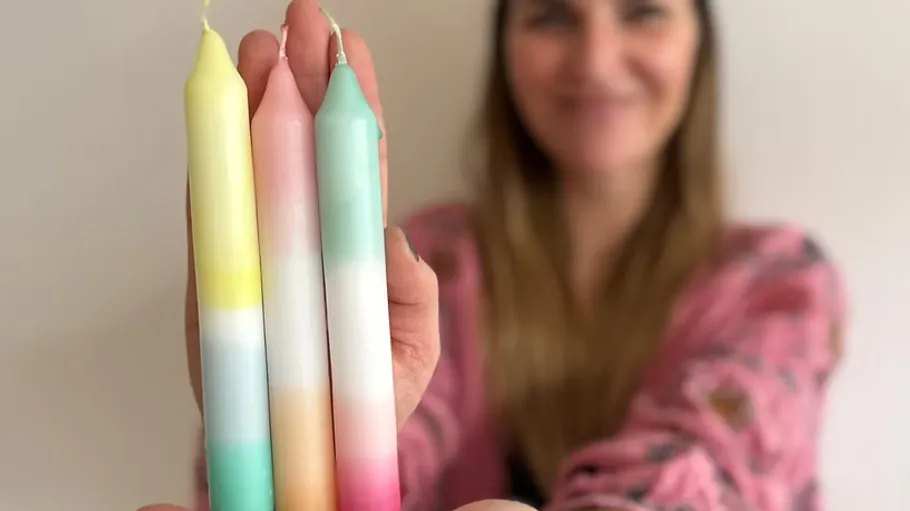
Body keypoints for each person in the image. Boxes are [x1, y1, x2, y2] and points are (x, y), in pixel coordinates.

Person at [142, 0, 848, 509]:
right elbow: (401, 431)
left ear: (702, 43)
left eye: (642, 11)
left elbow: (715, 461)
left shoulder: (779, 284)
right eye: (551, 16)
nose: (596, 59)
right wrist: (298, 451)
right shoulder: (433, 259)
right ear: (505, 51)